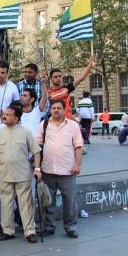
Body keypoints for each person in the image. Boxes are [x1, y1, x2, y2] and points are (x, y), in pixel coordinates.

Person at [0, 104, 42, 243]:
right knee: (6, 203)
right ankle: (8, 231)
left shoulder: (25, 132)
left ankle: (30, 231)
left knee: (26, 203)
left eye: (8, 114)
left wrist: (37, 169)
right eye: (5, 113)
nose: (4, 116)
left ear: (16, 118)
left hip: (22, 174)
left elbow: (36, 151)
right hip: (5, 174)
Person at [37, 99, 83, 239]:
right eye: (53, 108)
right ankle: (49, 227)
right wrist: (37, 168)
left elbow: (78, 146)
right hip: (47, 170)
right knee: (47, 201)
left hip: (67, 170)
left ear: (64, 109)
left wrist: (77, 164)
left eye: (58, 108)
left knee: (69, 201)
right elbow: (37, 147)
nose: (56, 110)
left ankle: (71, 227)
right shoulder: (44, 125)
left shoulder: (73, 126)